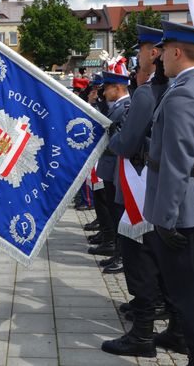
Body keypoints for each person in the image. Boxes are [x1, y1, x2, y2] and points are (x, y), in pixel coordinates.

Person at [143, 21, 194, 366]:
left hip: (183, 208)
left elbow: (177, 162)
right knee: (192, 286)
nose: (158, 59)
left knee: (188, 291)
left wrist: (165, 217)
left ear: (177, 52)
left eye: (162, 52)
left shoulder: (182, 94)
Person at [102, 25, 179, 358]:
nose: (136, 57)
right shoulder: (178, 89)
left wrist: (111, 137)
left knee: (140, 259)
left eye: (141, 50)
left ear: (154, 53)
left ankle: (142, 335)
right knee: (168, 264)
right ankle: (178, 331)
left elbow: (126, 141)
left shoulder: (149, 93)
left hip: (139, 186)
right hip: (167, 190)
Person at [87, 70, 131, 270]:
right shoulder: (117, 107)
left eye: (107, 89)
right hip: (109, 167)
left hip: (116, 166)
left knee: (118, 213)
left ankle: (122, 254)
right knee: (113, 213)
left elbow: (121, 140)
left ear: (117, 88)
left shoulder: (126, 108)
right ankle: (117, 251)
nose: (104, 94)